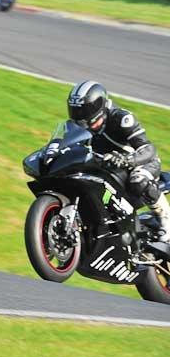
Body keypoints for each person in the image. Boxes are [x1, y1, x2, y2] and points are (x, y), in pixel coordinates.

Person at [64, 81, 169, 241]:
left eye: (84, 111)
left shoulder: (121, 118)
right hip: (111, 171)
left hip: (141, 164)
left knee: (138, 180)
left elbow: (148, 149)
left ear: (98, 106)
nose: (81, 117)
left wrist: (128, 160)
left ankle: (166, 225)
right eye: (76, 111)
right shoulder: (78, 128)